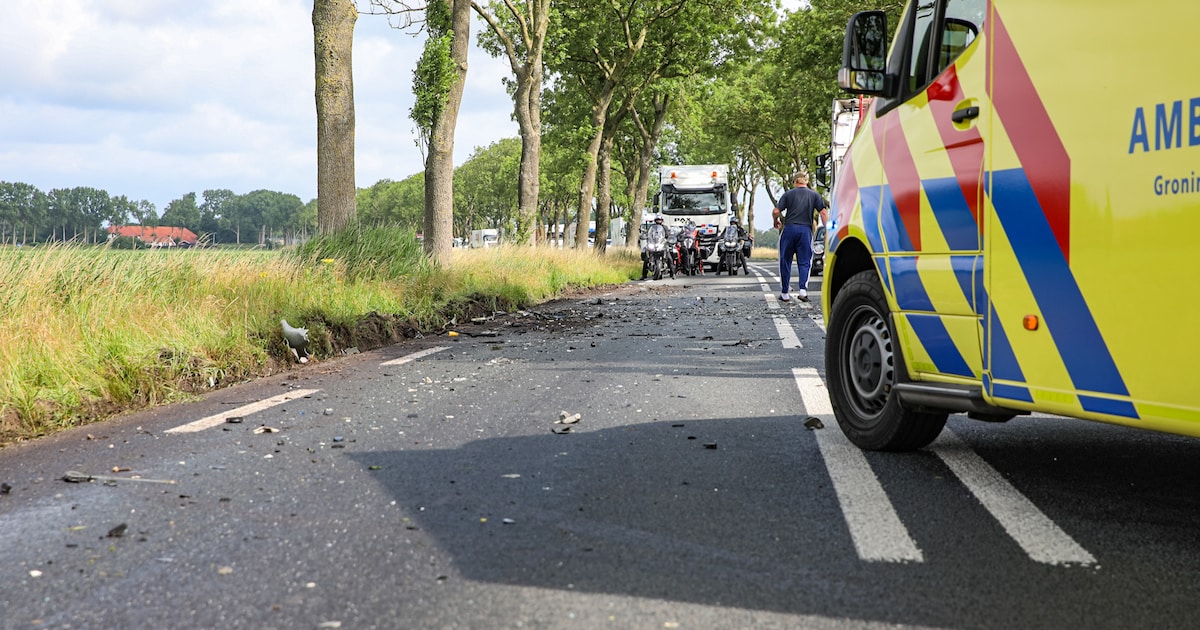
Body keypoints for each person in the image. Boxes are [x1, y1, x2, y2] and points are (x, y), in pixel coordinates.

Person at [772, 171, 829, 302]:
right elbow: (824, 213)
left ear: (795, 182)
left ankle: (785, 293)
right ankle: (803, 291)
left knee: (785, 261)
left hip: (789, 229)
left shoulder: (788, 194)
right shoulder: (814, 195)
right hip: (805, 231)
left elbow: (776, 211)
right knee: (805, 262)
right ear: (806, 181)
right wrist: (827, 231)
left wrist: (775, 221)